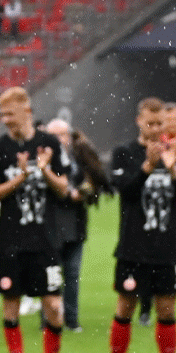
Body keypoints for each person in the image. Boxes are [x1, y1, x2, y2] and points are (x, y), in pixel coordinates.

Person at [0, 87, 69, 353]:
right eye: (3, 114)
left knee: (54, 307)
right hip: (10, 241)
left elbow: (63, 188)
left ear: (26, 110)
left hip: (45, 240)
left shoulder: (49, 144)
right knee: (11, 307)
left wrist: (43, 169)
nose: (6, 119)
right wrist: (20, 177)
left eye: (10, 113)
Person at [105, 97, 176, 353]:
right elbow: (126, 192)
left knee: (166, 310)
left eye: (160, 123)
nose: (155, 128)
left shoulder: (173, 152)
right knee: (125, 307)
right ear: (139, 121)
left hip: (166, 247)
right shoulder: (125, 153)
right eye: (150, 123)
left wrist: (171, 168)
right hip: (133, 247)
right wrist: (148, 166)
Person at [46, 118, 110, 333]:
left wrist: (83, 192)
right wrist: (66, 194)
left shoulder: (81, 156)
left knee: (72, 274)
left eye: (61, 134)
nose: (58, 139)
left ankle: (71, 319)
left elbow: (96, 182)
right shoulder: (43, 158)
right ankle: (49, 318)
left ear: (69, 135)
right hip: (50, 224)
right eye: (53, 135)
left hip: (76, 224)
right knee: (51, 275)